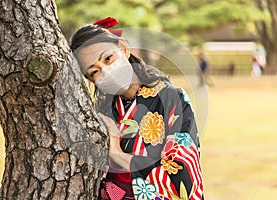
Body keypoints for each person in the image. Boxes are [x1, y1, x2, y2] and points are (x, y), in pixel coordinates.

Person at [70, 18, 203, 200]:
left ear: (123, 48)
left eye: (108, 58)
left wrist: (116, 154)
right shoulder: (101, 113)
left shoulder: (172, 99)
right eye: (94, 72)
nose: (106, 71)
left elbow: (181, 178)